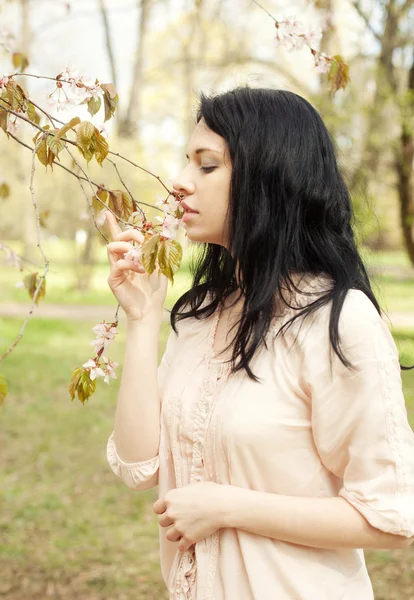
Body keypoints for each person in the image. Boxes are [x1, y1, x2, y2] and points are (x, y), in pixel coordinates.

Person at [105, 87, 414, 600]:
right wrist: (141, 321)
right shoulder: (201, 316)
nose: (179, 183)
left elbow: (393, 515)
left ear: (268, 177)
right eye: (187, 163)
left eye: (207, 166)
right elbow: (141, 467)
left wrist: (228, 507)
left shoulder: (339, 321)